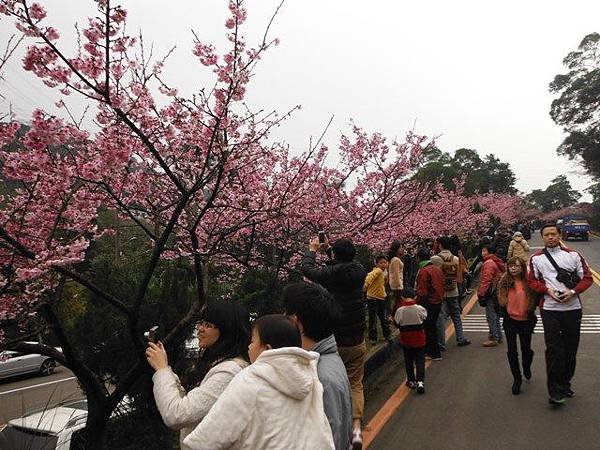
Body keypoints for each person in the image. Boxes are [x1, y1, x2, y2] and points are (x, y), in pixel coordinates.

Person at [183, 314, 335, 450]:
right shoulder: (310, 379)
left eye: (253, 341)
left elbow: (206, 440)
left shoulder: (250, 380)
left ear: (267, 349)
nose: (248, 347)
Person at [146, 300, 250, 450]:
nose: (200, 329)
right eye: (201, 323)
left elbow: (177, 415)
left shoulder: (229, 372)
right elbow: (188, 402)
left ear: (227, 331)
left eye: (208, 325)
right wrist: (165, 367)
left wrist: (162, 370)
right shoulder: (217, 363)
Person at [301, 237, 367, 449]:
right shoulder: (359, 270)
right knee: (355, 384)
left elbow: (308, 270)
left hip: (336, 343)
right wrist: (330, 249)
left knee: (336, 388)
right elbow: (340, 266)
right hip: (357, 339)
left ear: (337, 256)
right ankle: (356, 432)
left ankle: (337, 432)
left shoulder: (332, 275)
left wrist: (312, 250)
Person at [528, 222, 593, 405]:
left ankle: (565, 383)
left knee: (571, 349)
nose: (550, 237)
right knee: (554, 350)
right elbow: (532, 281)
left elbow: (587, 278)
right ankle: (555, 391)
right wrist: (548, 291)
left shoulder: (573, 255)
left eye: (553, 234)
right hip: (550, 310)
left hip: (572, 309)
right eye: (547, 234)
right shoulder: (536, 258)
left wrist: (572, 292)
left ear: (559, 235)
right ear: (542, 237)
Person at [283, 282, 352, 450]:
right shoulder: (325, 360)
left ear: (295, 321)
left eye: (285, 314)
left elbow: (331, 436)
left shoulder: (321, 376)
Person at [497, 257, 538, 395]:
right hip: (510, 321)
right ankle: (517, 379)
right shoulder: (504, 282)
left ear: (522, 267)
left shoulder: (529, 283)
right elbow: (500, 300)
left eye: (516, 266)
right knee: (512, 351)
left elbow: (535, 299)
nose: (513, 268)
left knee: (526, 350)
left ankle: (526, 366)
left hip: (526, 320)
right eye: (510, 266)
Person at [432, 236, 471, 350]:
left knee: (441, 317)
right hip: (453, 291)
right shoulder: (455, 258)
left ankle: (441, 343)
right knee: (456, 316)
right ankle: (460, 338)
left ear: (440, 245)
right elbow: (459, 278)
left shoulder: (435, 259)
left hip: (441, 292)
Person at [394, 287, 427, 394]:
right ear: (415, 297)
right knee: (420, 360)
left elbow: (397, 322)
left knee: (408, 360)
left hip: (406, 340)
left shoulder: (400, 310)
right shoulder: (420, 309)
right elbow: (424, 318)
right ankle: (420, 381)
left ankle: (411, 380)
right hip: (419, 339)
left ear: (402, 297)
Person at [415, 247, 444, 361]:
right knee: (431, 326)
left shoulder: (424, 271)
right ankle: (430, 351)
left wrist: (416, 299)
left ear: (418, 258)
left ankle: (434, 353)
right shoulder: (436, 269)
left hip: (429, 302)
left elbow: (422, 291)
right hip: (438, 300)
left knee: (429, 327)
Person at [477, 244, 506, 347]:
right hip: (496, 292)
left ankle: (494, 337)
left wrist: (481, 293)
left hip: (491, 293)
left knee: (491, 316)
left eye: (484, 251)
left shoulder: (489, 263)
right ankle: (498, 336)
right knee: (496, 315)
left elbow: (486, 280)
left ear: (488, 252)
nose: (482, 253)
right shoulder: (496, 260)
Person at [364, 255, 391, 345]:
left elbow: (383, 283)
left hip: (381, 297)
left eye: (385, 262)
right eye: (381, 263)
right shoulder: (378, 270)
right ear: (377, 264)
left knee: (382, 318)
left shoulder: (385, 272)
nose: (383, 264)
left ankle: (386, 334)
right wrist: (366, 286)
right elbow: (369, 277)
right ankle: (373, 337)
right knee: (374, 319)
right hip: (373, 298)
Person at [387, 241, 405, 309]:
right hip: (397, 286)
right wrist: (399, 285)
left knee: (397, 304)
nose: (402, 249)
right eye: (400, 247)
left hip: (395, 285)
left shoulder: (394, 259)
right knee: (398, 304)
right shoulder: (395, 260)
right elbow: (396, 273)